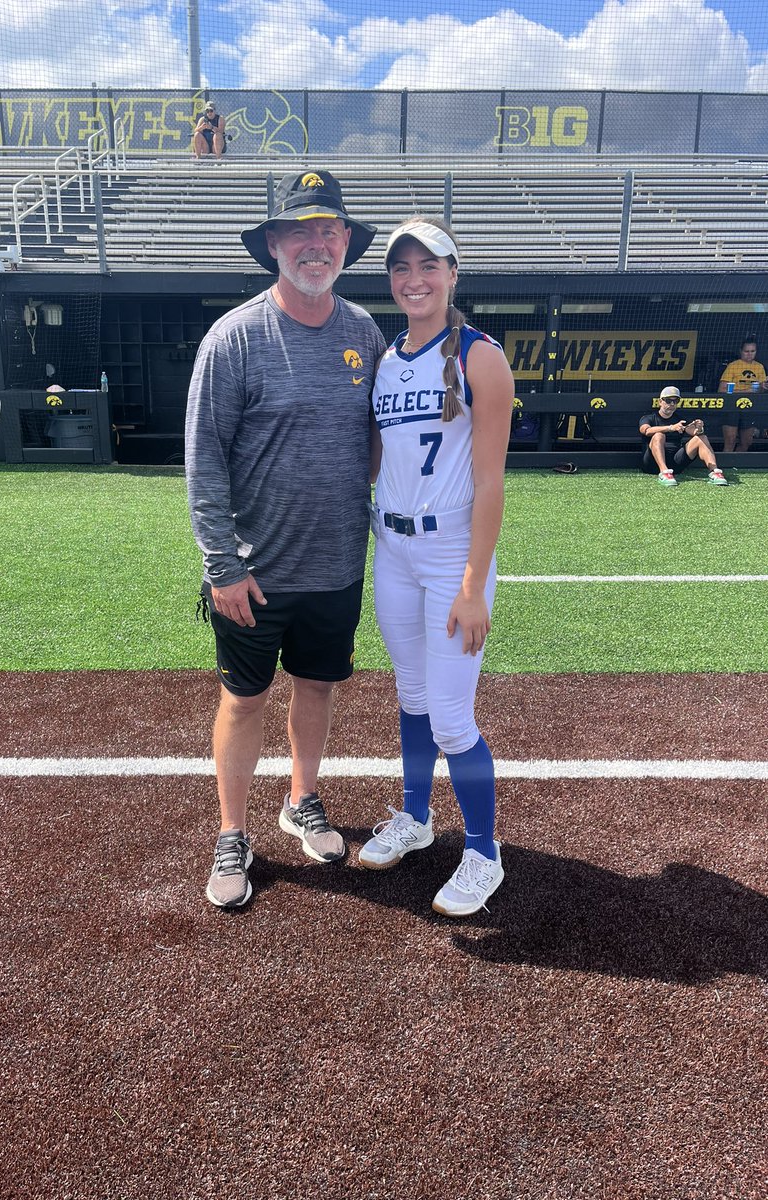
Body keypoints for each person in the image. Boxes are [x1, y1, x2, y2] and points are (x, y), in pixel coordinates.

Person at [186, 170, 386, 909]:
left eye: (329, 231)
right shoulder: (235, 336)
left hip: (337, 564)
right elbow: (204, 456)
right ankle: (233, 833)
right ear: (274, 244)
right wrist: (221, 566)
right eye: (300, 231)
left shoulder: (363, 331)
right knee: (244, 699)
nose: (316, 244)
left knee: (318, 687)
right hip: (255, 573)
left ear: (345, 246)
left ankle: (302, 799)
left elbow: (373, 437)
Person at [357, 217, 515, 917]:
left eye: (429, 266)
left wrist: (473, 585)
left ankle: (483, 850)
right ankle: (417, 818)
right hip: (391, 547)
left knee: (451, 717)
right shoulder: (386, 359)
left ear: (454, 274)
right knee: (412, 696)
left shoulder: (481, 356)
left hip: (451, 548)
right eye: (401, 269)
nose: (414, 280)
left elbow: (490, 482)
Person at [640, 386, 728, 486]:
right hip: (652, 464)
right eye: (668, 401)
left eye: (676, 401)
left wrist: (699, 428)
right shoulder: (648, 418)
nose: (672, 404)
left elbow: (695, 433)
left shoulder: (680, 419)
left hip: (676, 463)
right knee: (659, 435)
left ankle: (715, 472)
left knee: (702, 438)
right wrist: (670, 428)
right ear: (660, 401)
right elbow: (646, 430)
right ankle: (664, 472)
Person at [718, 336, 766, 452]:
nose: (749, 354)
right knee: (730, 440)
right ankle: (725, 466)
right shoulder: (733, 366)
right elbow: (722, 389)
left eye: (752, 351)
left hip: (750, 407)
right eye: (746, 351)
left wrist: (762, 388)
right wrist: (747, 391)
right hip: (732, 406)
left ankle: (735, 466)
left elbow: (761, 389)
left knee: (747, 441)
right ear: (741, 351)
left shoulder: (759, 367)